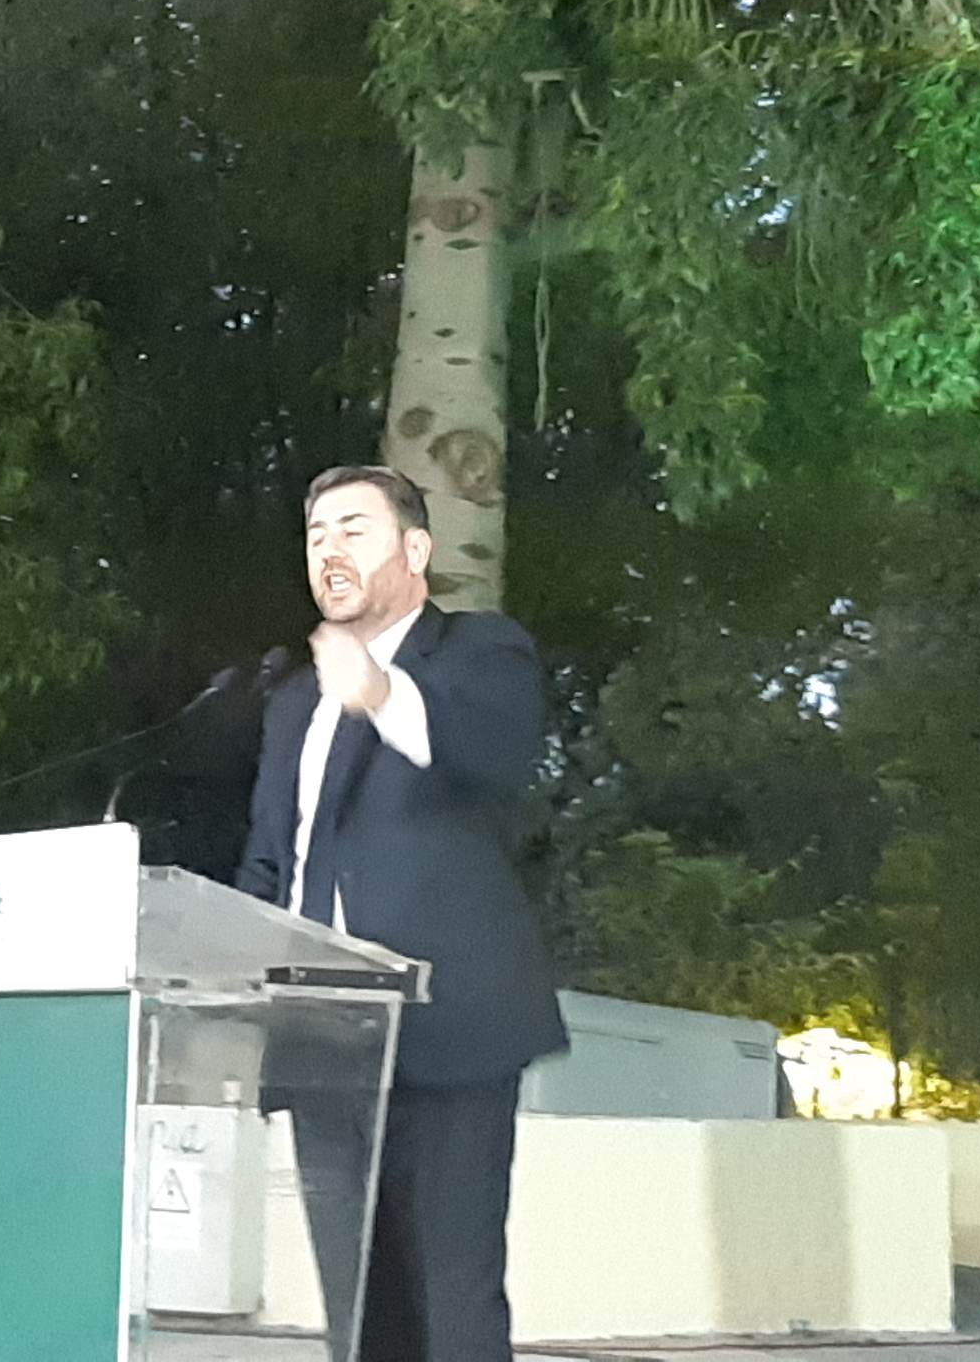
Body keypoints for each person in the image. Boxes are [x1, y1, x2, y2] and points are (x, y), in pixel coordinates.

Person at [235, 464, 567, 1362]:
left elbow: (497, 754)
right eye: (315, 536)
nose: (329, 551)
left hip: (447, 1021)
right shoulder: (294, 700)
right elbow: (273, 860)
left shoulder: (479, 650)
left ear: (415, 550)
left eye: (353, 529)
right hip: (320, 1035)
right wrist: (242, 980)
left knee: (453, 1288)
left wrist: (380, 693)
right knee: (357, 1300)